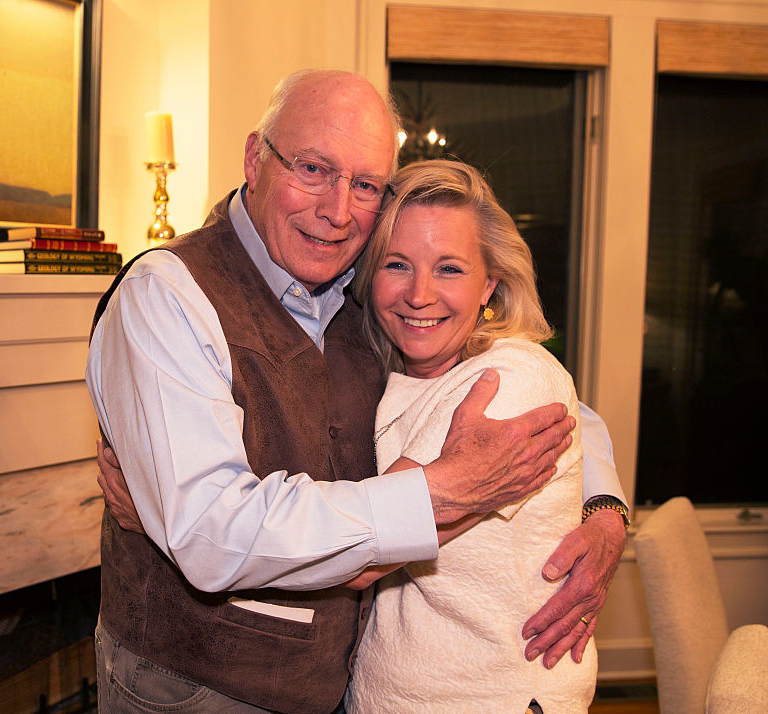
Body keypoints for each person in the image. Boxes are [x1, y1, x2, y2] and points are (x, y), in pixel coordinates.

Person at [86, 68, 628, 714]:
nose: (337, 211)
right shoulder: (166, 298)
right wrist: (442, 489)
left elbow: (554, 406)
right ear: (255, 158)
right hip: (194, 688)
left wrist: (604, 511)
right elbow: (211, 530)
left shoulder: (367, 297)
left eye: (365, 185)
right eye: (313, 169)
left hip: (342, 687)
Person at [342, 159, 596, 712]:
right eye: (397, 264)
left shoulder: (508, 378)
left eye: (450, 269)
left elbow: (362, 554)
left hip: (491, 696)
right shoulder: (398, 377)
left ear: (490, 286)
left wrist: (183, 513)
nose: (419, 294)